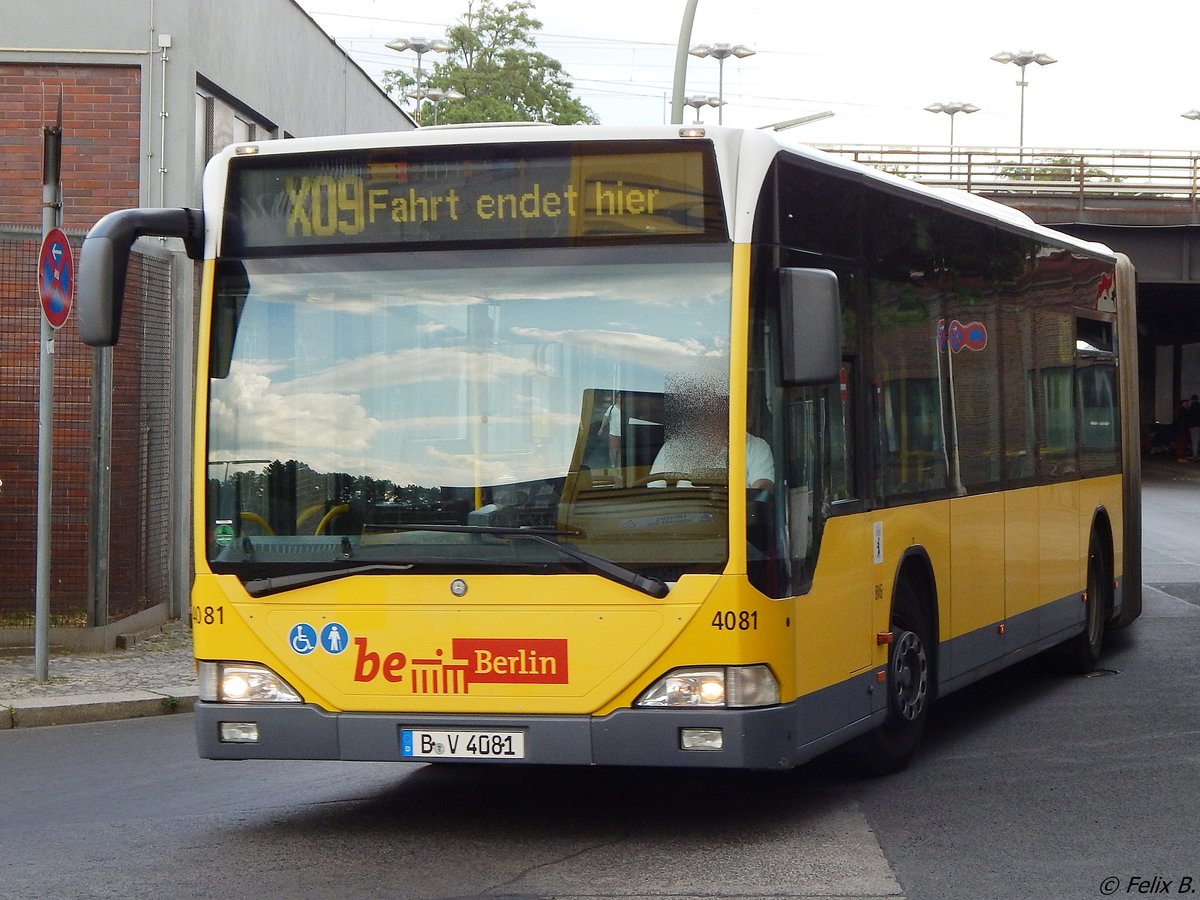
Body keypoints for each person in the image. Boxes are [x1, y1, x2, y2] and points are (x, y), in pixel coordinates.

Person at [1189, 394, 1200, 461]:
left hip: (1193, 426)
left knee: (1194, 441)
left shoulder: (1191, 408)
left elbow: (1188, 417)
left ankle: (1195, 455)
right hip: (1199, 425)